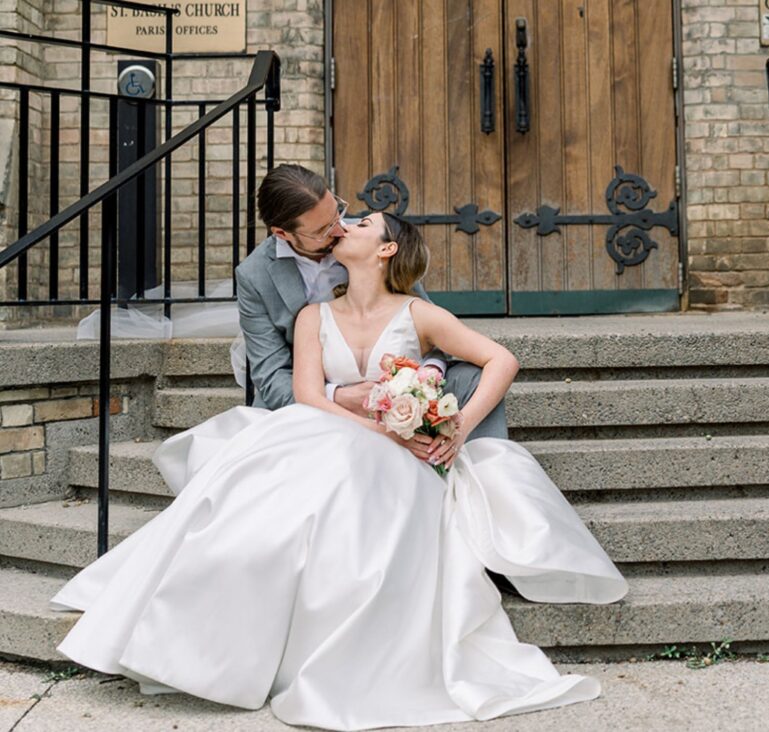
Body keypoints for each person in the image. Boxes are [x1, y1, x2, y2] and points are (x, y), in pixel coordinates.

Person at [48, 209, 628, 731]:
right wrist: (376, 427)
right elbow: (306, 394)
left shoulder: (419, 313)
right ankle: (192, 635)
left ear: (386, 250)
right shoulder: (312, 316)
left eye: (364, 223)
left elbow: (502, 359)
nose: (346, 224)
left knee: (343, 501)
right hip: (326, 429)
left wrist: (459, 426)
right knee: (259, 502)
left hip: (395, 461)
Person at [236, 163, 507, 445]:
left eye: (337, 213)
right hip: (312, 396)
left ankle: (482, 460)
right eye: (323, 230)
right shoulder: (255, 277)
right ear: (283, 234)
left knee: (474, 377)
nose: (340, 229)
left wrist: (420, 382)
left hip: (394, 390)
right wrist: (338, 396)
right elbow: (272, 376)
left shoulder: (365, 238)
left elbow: (427, 330)